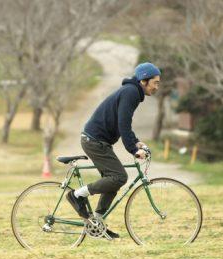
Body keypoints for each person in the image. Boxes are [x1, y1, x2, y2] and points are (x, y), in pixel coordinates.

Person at [66, 62, 161, 239]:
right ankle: (77, 195)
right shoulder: (131, 93)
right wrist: (133, 149)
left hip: (97, 141)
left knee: (113, 180)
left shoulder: (132, 92)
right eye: (155, 82)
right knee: (119, 177)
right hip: (94, 141)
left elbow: (123, 124)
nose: (157, 86)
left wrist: (136, 142)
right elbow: (123, 124)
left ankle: (96, 223)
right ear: (144, 81)